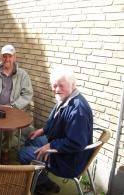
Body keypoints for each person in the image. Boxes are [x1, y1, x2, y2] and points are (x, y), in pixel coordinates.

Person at [18, 66, 93, 194]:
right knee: (31, 140)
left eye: (61, 85)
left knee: (23, 153)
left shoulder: (78, 110)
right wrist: (43, 130)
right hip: (63, 148)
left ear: (73, 85)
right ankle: (39, 176)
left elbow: (77, 143)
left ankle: (44, 183)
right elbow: (56, 122)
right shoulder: (66, 99)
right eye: (54, 85)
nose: (57, 90)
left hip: (69, 160)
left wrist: (51, 145)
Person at [0, 44, 33, 163]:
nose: (7, 59)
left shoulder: (22, 74)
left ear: (14, 57)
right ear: (1, 57)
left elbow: (27, 94)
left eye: (9, 56)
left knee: (10, 127)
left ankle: (5, 151)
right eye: (4, 56)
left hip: (12, 108)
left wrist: (14, 106)